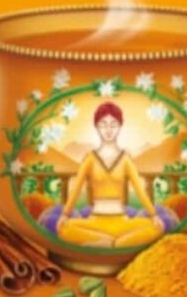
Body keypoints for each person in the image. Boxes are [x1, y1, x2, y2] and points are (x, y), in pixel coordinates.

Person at [57, 101, 165, 248]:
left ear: (120, 126)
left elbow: (140, 190)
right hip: (95, 222)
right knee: (65, 228)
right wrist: (65, 214)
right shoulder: (90, 158)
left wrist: (154, 215)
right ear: (96, 126)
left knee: (156, 227)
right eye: (103, 124)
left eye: (113, 125)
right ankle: (113, 242)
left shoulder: (125, 159)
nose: (108, 130)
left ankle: (112, 242)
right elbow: (76, 189)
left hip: (122, 222)